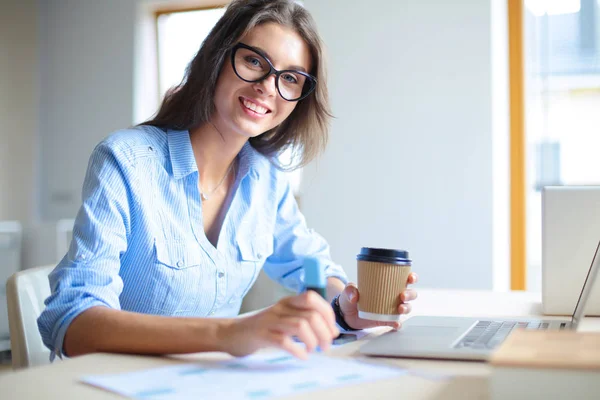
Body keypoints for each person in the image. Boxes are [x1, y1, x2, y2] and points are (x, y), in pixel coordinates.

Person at [38, 0, 418, 361]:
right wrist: (229, 334)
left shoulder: (265, 177)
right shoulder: (126, 160)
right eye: (255, 61)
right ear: (217, 57)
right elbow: (73, 323)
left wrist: (348, 307)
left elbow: (312, 266)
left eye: (290, 78)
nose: (268, 87)